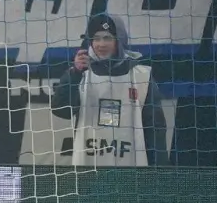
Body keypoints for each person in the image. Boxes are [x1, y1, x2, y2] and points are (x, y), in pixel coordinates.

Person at [50, 13, 165, 166]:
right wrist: (74, 73)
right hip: (89, 168)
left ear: (120, 40)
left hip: (131, 169)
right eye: (96, 39)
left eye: (107, 38)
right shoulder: (81, 74)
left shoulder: (141, 76)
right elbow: (61, 110)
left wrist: (161, 168)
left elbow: (155, 129)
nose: (101, 44)